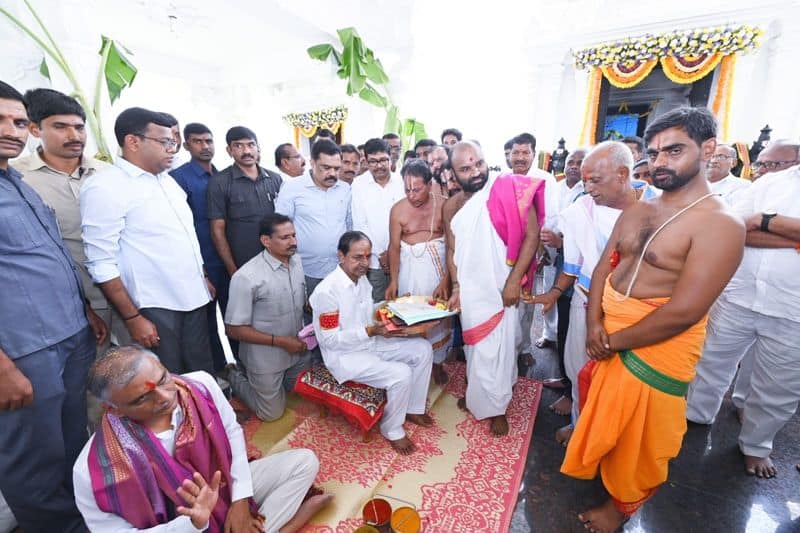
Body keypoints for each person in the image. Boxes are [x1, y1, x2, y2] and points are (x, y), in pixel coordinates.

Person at [560, 107, 745, 532]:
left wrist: (611, 340)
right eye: (655, 152)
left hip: (654, 345)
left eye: (674, 151)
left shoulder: (720, 224)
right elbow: (606, 265)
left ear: (708, 149)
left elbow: (685, 311)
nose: (660, 162)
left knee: (639, 440)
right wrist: (593, 325)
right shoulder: (640, 208)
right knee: (609, 418)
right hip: (607, 330)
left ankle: (620, 507)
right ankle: (603, 472)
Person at [74, 345, 332, 532]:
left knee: (304, 462)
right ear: (115, 409)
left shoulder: (200, 385)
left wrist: (240, 500)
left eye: (163, 379)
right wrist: (192, 522)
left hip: (226, 492)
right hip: (181, 527)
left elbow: (232, 432)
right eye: (142, 398)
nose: (165, 397)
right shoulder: (92, 470)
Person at [0, 80, 105, 532]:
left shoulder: (16, 182)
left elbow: (51, 255)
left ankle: (85, 515)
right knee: (34, 459)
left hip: (69, 334)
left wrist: (85, 309)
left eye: (18, 121)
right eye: (1, 120)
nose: (12, 130)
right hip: (23, 352)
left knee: (71, 441)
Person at [530, 143, 658, 446]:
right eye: (584, 180)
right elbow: (574, 265)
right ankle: (580, 424)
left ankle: (617, 437)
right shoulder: (579, 211)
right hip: (586, 299)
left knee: (626, 380)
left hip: (639, 308)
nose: (587, 188)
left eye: (594, 180)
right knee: (579, 367)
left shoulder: (660, 207)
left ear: (623, 174)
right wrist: (554, 293)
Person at [686, 160, 800, 478]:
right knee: (710, 361)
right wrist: (794, 237)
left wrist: (765, 221)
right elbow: (734, 229)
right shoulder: (770, 183)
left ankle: (756, 446)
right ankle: (696, 415)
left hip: (793, 308)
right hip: (739, 294)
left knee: (778, 385)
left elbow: (750, 227)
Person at [81, 107, 215, 374]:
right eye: (165, 142)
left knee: (201, 371)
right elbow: (100, 262)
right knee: (166, 379)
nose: (172, 149)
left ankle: (204, 415)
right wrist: (133, 318)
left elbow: (186, 237)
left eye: (174, 142)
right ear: (133, 141)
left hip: (193, 295)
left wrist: (202, 276)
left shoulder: (167, 182)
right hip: (155, 305)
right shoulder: (106, 186)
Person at [445, 141, 543, 436]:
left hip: (503, 286)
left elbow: (532, 235)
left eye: (479, 163)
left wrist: (514, 280)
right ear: (453, 173)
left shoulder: (509, 188)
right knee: (476, 349)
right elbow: (452, 251)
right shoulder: (452, 206)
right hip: (472, 293)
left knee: (503, 346)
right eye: (466, 168)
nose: (475, 172)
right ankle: (480, 396)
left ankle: (498, 405)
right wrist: (457, 287)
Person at [15, 88, 122, 350]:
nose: (74, 136)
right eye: (60, 127)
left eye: (79, 127)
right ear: (34, 129)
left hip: (125, 296)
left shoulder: (109, 174)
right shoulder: (18, 180)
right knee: (92, 381)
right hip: (67, 306)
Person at [311, 232, 435, 454]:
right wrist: (370, 331)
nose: (365, 263)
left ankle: (413, 408)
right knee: (401, 373)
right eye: (358, 257)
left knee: (423, 349)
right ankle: (392, 429)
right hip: (346, 357)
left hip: (371, 343)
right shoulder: (327, 292)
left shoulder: (361, 279)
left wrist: (393, 304)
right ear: (341, 256)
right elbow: (328, 340)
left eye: (368, 256)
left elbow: (366, 311)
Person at [225, 214, 312, 421]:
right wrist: (281, 342)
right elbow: (233, 329)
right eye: (285, 238)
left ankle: (273, 383)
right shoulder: (246, 277)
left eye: (294, 235)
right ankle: (234, 374)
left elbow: (300, 302)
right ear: (266, 241)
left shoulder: (296, 262)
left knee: (305, 394)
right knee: (271, 414)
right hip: (266, 358)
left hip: (297, 350)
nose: (294, 242)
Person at [171, 122, 232, 370]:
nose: (205, 146)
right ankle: (216, 370)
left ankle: (236, 366)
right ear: (186, 145)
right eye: (197, 141)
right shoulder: (178, 179)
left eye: (208, 141)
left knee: (233, 316)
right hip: (201, 262)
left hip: (227, 258)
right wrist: (200, 269)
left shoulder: (223, 176)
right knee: (204, 323)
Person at [386, 159, 451, 384]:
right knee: (410, 317)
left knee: (439, 319)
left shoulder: (445, 205)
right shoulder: (398, 210)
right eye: (406, 189)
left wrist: (447, 279)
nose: (411, 195)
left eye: (417, 189)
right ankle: (413, 362)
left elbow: (453, 246)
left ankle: (437, 364)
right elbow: (394, 248)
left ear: (430, 184)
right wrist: (393, 280)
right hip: (409, 273)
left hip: (438, 272)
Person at [535, 148, 587, 417]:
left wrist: (561, 243)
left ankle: (573, 395)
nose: (575, 167)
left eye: (581, 163)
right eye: (571, 163)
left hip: (585, 285)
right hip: (564, 269)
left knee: (579, 345)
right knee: (568, 336)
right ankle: (568, 384)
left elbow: (588, 248)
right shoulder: (564, 190)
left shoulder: (592, 198)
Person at [275, 139, 351, 299]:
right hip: (305, 271)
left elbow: (349, 225)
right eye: (326, 168)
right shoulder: (292, 188)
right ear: (312, 163)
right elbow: (281, 228)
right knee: (309, 319)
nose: (332, 173)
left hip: (339, 269)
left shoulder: (345, 189)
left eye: (337, 169)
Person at [208, 126, 283, 274]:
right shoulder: (219, 182)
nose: (247, 151)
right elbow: (217, 230)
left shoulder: (275, 179)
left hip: (278, 259)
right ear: (229, 150)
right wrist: (232, 269)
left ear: (258, 148)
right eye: (238, 146)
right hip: (244, 264)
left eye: (251, 145)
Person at [508, 133, 557, 357]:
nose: (520, 157)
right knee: (508, 304)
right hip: (507, 251)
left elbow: (552, 216)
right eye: (515, 153)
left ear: (533, 154)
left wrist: (543, 250)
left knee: (526, 302)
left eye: (525, 152)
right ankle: (507, 348)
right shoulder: (504, 180)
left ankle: (524, 349)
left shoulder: (546, 180)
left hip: (535, 249)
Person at [352, 138, 405, 302]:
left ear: (391, 158)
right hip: (374, 261)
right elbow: (360, 224)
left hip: (404, 259)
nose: (379, 165)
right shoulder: (358, 185)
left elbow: (407, 219)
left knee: (403, 304)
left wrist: (392, 252)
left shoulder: (402, 182)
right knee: (378, 307)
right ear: (366, 161)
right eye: (373, 161)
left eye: (383, 160)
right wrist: (381, 253)